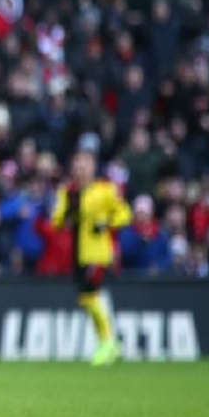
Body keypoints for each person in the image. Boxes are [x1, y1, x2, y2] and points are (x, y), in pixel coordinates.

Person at [51, 150, 131, 366]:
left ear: (93, 167)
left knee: (91, 295)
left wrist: (106, 223)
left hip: (98, 253)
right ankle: (108, 342)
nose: (80, 170)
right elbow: (56, 221)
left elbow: (124, 214)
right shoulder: (68, 192)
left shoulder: (105, 190)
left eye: (84, 166)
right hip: (78, 253)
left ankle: (108, 341)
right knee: (86, 298)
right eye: (77, 167)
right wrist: (67, 215)